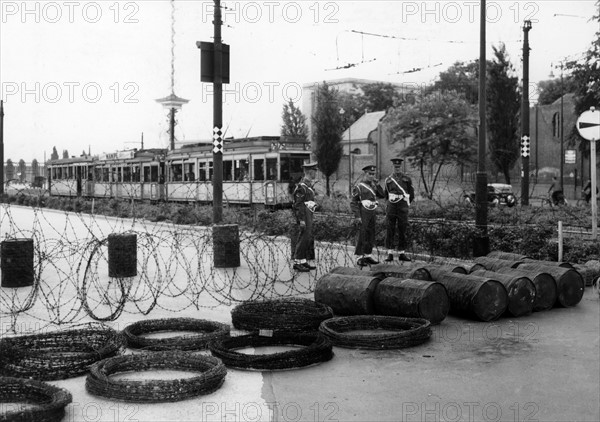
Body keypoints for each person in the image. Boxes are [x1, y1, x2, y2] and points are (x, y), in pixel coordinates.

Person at [351, 164, 385, 267]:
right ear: (365, 174)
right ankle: (359, 257)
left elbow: (382, 195)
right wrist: (357, 216)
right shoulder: (359, 187)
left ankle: (367, 254)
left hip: (372, 211)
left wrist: (378, 185)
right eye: (370, 174)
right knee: (362, 233)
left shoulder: (373, 186)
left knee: (371, 233)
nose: (372, 176)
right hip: (363, 211)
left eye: (373, 174)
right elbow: (353, 202)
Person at [384, 157, 414, 262]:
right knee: (390, 229)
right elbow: (386, 194)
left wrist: (406, 205)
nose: (397, 168)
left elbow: (411, 194)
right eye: (395, 167)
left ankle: (402, 253)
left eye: (398, 166)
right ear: (393, 167)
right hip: (391, 206)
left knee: (402, 229)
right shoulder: (388, 180)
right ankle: (390, 253)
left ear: (401, 166)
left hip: (402, 207)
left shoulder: (407, 179)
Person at [291, 162, 319, 272]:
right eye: (314, 171)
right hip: (304, 215)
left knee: (307, 237)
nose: (316, 173)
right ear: (310, 172)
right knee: (303, 237)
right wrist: (301, 219)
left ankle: (302, 260)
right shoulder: (301, 187)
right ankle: (297, 261)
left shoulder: (308, 186)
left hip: (309, 213)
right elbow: (298, 204)